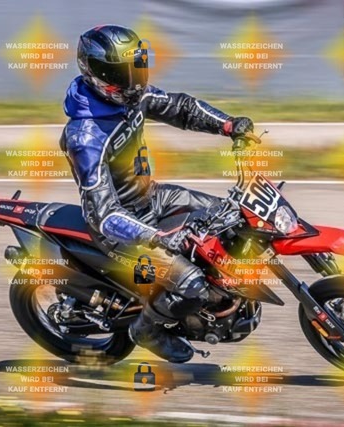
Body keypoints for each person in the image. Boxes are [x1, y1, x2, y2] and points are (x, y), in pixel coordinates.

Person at [60, 25, 254, 363]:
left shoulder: (132, 96)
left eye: (136, 68)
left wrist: (228, 125)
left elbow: (180, 107)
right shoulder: (86, 137)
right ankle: (146, 330)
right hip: (120, 229)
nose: (133, 80)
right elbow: (103, 215)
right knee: (191, 282)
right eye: (121, 73)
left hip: (151, 196)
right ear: (95, 73)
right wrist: (156, 236)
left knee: (234, 214)